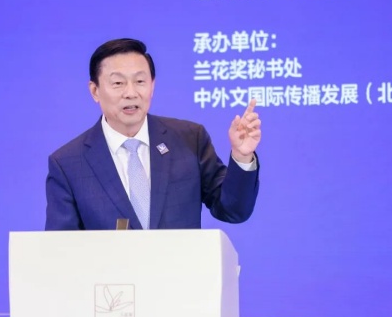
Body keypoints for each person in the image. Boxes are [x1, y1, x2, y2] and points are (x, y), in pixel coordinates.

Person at [45, 38, 261, 230]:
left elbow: (233, 210)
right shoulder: (68, 163)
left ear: (152, 85)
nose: (131, 93)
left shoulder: (189, 139)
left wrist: (242, 156)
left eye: (140, 81)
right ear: (95, 91)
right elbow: (61, 249)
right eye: (118, 83)